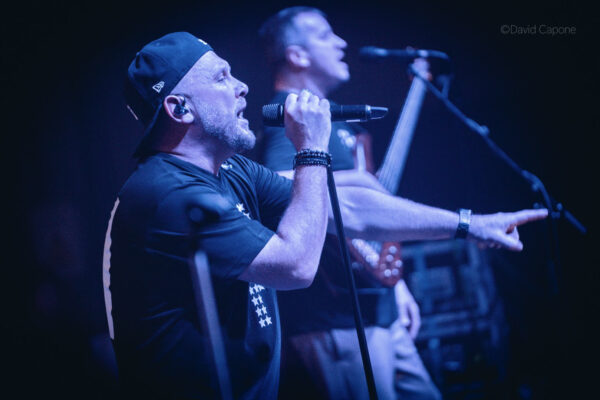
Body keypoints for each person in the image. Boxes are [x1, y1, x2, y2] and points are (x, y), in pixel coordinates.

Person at [258, 7, 547, 400]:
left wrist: (396, 287)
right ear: (297, 55)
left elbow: (361, 225)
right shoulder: (290, 119)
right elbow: (276, 186)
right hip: (337, 319)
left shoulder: (332, 123)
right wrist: (360, 181)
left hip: (377, 309)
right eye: (325, 35)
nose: (341, 42)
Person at [103, 31, 335, 399]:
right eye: (221, 77)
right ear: (180, 108)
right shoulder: (167, 194)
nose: (242, 86)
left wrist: (443, 224)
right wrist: (311, 149)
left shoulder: (231, 170)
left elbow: (335, 206)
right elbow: (296, 266)